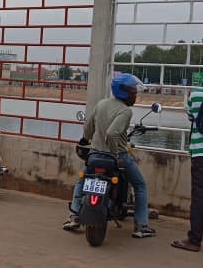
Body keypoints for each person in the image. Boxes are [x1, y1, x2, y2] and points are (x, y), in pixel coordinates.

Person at [62, 73, 156, 238]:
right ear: (124, 93)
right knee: (140, 185)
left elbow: (88, 128)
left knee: (82, 180)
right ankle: (141, 226)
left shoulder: (101, 104)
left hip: (94, 155)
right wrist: (115, 153)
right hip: (116, 156)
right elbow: (112, 133)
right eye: (133, 92)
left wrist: (88, 139)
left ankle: (74, 215)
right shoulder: (126, 111)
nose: (135, 95)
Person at [171, 86, 203, 252]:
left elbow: (191, 116)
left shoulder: (196, 94)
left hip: (200, 153)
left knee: (199, 197)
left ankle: (194, 240)